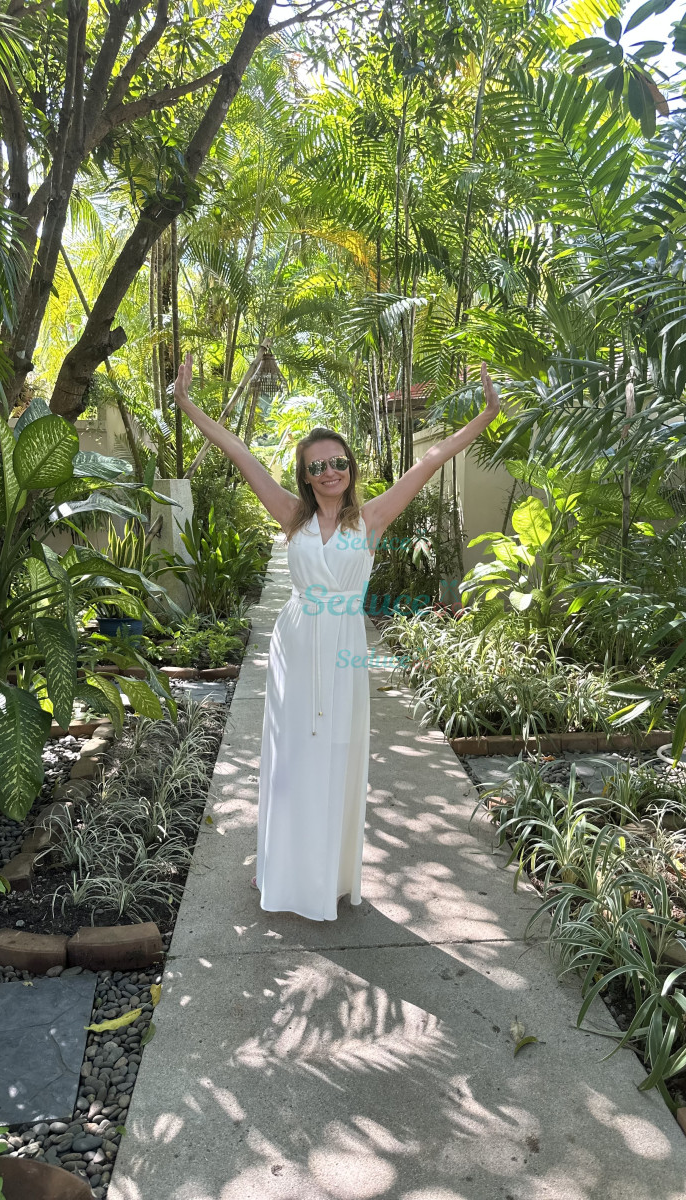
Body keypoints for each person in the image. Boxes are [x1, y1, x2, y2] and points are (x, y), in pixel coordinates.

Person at [172, 354, 501, 920]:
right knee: (291, 755)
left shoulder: (371, 519)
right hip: (297, 644)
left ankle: (329, 875)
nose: (330, 471)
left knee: (336, 756)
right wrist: (186, 404)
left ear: (350, 467)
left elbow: (432, 458)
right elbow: (240, 453)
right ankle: (282, 868)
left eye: (338, 461)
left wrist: (487, 414)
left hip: (345, 644)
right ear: (305, 476)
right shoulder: (291, 516)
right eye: (317, 465)